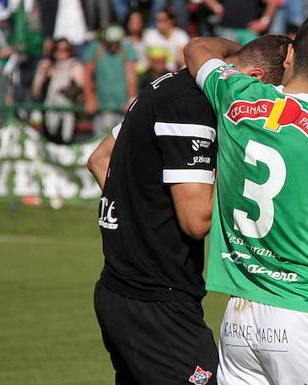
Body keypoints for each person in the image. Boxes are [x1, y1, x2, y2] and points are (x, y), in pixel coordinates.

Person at [185, 12, 308, 385]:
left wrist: (242, 53)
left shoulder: (235, 93)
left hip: (239, 320)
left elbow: (197, 48)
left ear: (290, 54)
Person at [87, 34, 292, 385]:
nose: (268, 108)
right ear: (255, 79)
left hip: (124, 290)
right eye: (274, 95)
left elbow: (99, 159)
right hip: (156, 300)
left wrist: (143, 216)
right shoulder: (193, 106)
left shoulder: (171, 85)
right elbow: (196, 220)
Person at [83, 25, 137, 137]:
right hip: (102, 109)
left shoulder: (126, 49)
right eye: (110, 42)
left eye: (116, 42)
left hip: (122, 108)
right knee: (99, 142)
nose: (113, 45)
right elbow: (88, 74)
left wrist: (131, 100)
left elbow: (131, 74)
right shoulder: (95, 49)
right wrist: (89, 98)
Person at [32, 38, 84, 143]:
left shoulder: (74, 65)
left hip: (67, 112)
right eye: (58, 49)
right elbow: (35, 92)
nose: (62, 52)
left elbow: (81, 88)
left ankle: (66, 138)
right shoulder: (48, 65)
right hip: (49, 110)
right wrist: (42, 72)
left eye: (66, 49)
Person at [143, 8, 189, 72]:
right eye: (158, 21)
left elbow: (181, 60)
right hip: (156, 73)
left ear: (171, 21)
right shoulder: (151, 35)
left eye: (164, 20)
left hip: (176, 72)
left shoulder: (181, 35)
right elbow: (148, 58)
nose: (160, 24)